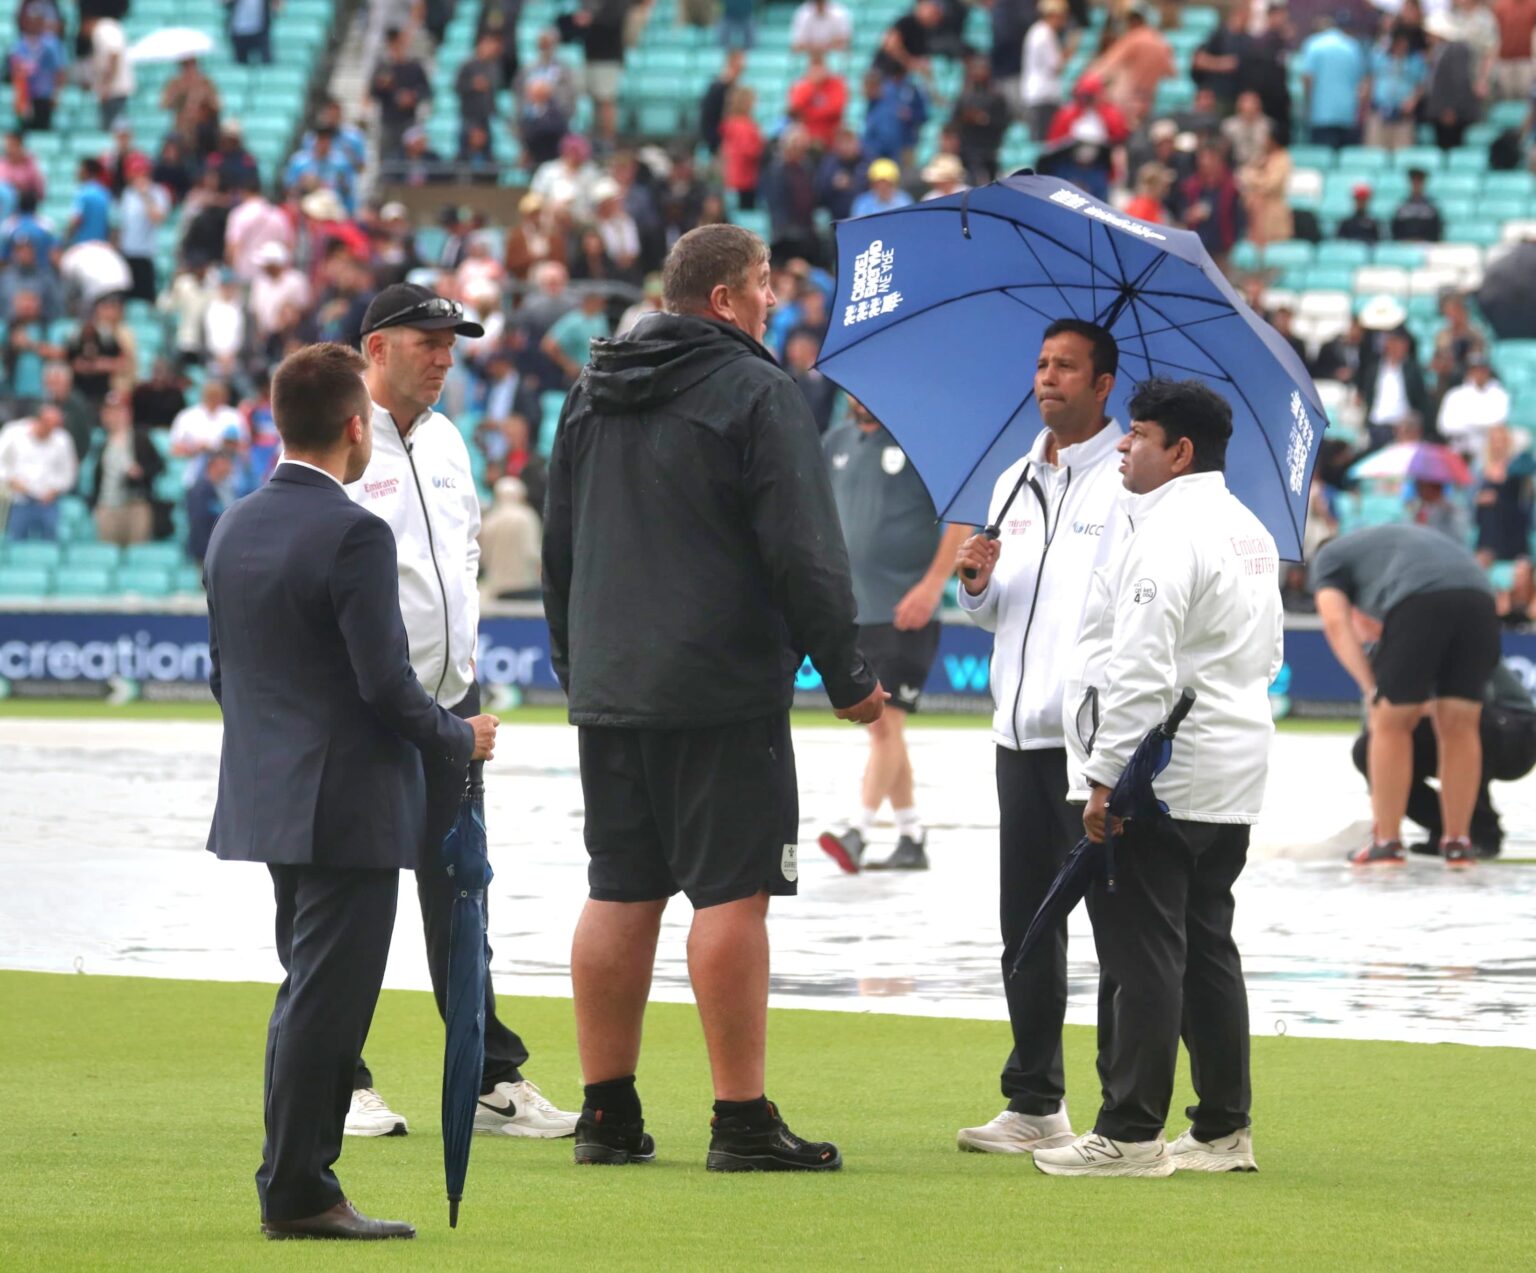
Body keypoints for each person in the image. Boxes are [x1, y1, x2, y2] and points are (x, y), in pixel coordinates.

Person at [542, 223, 885, 1171]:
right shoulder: (758, 389)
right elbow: (803, 549)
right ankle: (740, 1119)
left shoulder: (590, 388)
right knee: (733, 890)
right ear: (727, 298)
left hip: (613, 684)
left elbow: (560, 546)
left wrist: (581, 668)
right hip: (721, 685)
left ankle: (606, 1112)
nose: (775, 300)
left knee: (620, 887)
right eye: (765, 283)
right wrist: (848, 674)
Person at [204, 341, 496, 1240]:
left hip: (269, 792)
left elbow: (224, 675)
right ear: (355, 426)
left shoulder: (233, 525)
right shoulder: (356, 532)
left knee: (306, 991)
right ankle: (299, 1188)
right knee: (329, 1002)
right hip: (350, 801)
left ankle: (292, 1176)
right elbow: (387, 685)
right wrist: (460, 735)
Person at [335, 284, 579, 1142]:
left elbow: (463, 553)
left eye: (451, 343)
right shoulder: (339, 432)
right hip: (362, 706)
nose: (445, 357)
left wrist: (461, 674)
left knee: (460, 889)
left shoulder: (445, 438)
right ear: (376, 348)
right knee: (350, 895)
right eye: (427, 342)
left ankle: (487, 1076)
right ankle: (336, 1078)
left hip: (449, 705)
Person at [1033, 376, 1281, 1178]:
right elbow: (1270, 655)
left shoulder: (1168, 532)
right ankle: (1222, 1129)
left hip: (1164, 772)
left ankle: (1131, 1132)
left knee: (1143, 952)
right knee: (1207, 945)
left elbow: (1140, 670)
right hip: (1233, 763)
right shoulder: (1250, 528)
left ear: (1180, 452)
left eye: (1138, 434)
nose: (1123, 446)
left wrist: (1105, 776)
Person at [952, 319, 1130, 1155]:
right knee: (1023, 924)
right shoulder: (1012, 479)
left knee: (1117, 928)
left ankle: (1124, 1112)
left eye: (1066, 366)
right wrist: (976, 586)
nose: (1047, 377)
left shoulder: (1131, 480)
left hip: (1092, 743)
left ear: (1103, 384)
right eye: (1041, 363)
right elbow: (996, 612)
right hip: (1017, 735)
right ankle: (1034, 1102)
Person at [818, 398, 970, 873]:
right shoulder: (835, 441)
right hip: (855, 608)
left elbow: (960, 516)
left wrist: (933, 585)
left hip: (908, 610)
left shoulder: (921, 443)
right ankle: (911, 834)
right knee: (883, 727)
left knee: (885, 723)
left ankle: (858, 830)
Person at [1311, 525, 1502, 869]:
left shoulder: (1328, 557)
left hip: (1420, 601)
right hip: (1479, 597)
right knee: (1460, 724)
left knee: (1391, 722)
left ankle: (1386, 843)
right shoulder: (1390, 545)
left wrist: (1370, 686)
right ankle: (1458, 842)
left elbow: (1335, 622)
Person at [1351, 663, 1536, 859]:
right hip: (1441, 721)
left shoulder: (1446, 645)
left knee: (1462, 719)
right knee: (1368, 750)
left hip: (1512, 727)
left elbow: (1476, 696)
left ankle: (1478, 828)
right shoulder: (1384, 657)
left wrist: (1412, 709)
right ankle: (1445, 826)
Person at [89, 390, 161, 546]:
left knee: (138, 552)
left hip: (135, 504)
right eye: (109, 412)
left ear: (128, 414)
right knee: (108, 552)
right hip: (107, 505)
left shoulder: (140, 438)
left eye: (118, 411)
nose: (114, 416)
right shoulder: (102, 442)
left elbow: (158, 465)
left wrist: (141, 471)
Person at [0, 404, 74, 539]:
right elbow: (1, 463)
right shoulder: (13, 433)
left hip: (48, 502)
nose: (51, 430)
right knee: (15, 542)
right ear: (39, 420)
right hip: (19, 500)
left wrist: (55, 490)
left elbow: (68, 473)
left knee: (51, 543)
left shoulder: (62, 439)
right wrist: (11, 480)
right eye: (48, 426)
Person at [1298, 11, 1368, 148]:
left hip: (1320, 115)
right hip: (1347, 114)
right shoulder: (1352, 47)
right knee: (1347, 160)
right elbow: (1362, 84)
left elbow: (1307, 78)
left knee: (1322, 158)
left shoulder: (1314, 45)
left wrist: (1308, 105)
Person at [478, 474, 543, 602]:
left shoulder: (490, 520)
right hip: (525, 584)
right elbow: (533, 553)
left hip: (498, 587)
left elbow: (483, 557)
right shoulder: (527, 517)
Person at [1391, 168, 1443, 242]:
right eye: (1414, 181)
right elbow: (1396, 230)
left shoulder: (1431, 207)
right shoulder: (1402, 207)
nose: (1416, 185)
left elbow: (1437, 230)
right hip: (1405, 245)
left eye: (1419, 181)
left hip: (1426, 245)